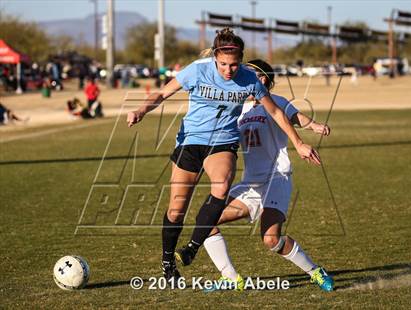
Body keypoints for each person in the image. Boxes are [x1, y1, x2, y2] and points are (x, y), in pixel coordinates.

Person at [126, 28, 321, 284]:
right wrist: (142, 110)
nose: (229, 70)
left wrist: (299, 142)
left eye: (234, 65)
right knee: (176, 210)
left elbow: (275, 112)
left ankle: (193, 247)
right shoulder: (198, 69)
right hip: (190, 141)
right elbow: (162, 93)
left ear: (241, 59)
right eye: (223, 65)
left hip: (222, 143)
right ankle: (167, 265)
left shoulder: (249, 79)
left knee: (221, 184)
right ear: (215, 57)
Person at [176, 59, 334, 292]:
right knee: (206, 221)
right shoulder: (238, 108)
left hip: (276, 179)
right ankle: (230, 277)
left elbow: (293, 116)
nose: (246, 77)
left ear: (266, 81)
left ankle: (315, 271)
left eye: (254, 74)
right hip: (250, 184)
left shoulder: (274, 102)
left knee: (271, 240)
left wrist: (313, 127)